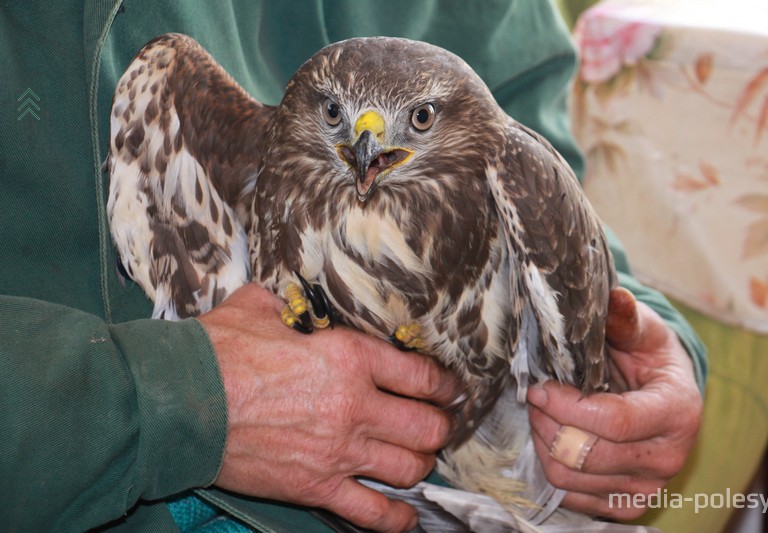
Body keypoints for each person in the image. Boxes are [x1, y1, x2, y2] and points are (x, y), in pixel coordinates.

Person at [0, 1, 706, 531]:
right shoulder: (175, 102)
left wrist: (649, 347)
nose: (368, 144)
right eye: (341, 119)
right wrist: (172, 396)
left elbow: (533, 142)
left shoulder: (495, 156)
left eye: (417, 122)